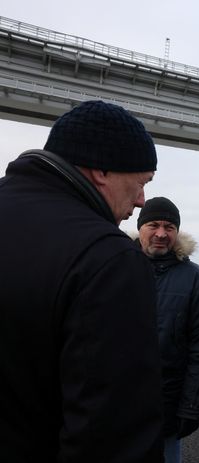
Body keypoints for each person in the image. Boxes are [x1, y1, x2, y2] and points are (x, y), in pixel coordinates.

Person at [0, 100, 164, 462]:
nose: (140, 201)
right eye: (140, 182)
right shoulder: (106, 257)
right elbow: (110, 437)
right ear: (102, 169)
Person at [135, 197, 199, 463]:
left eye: (169, 227)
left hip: (165, 411)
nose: (161, 233)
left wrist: (192, 408)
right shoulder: (115, 265)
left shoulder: (196, 280)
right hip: (113, 407)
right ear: (140, 227)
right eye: (153, 225)